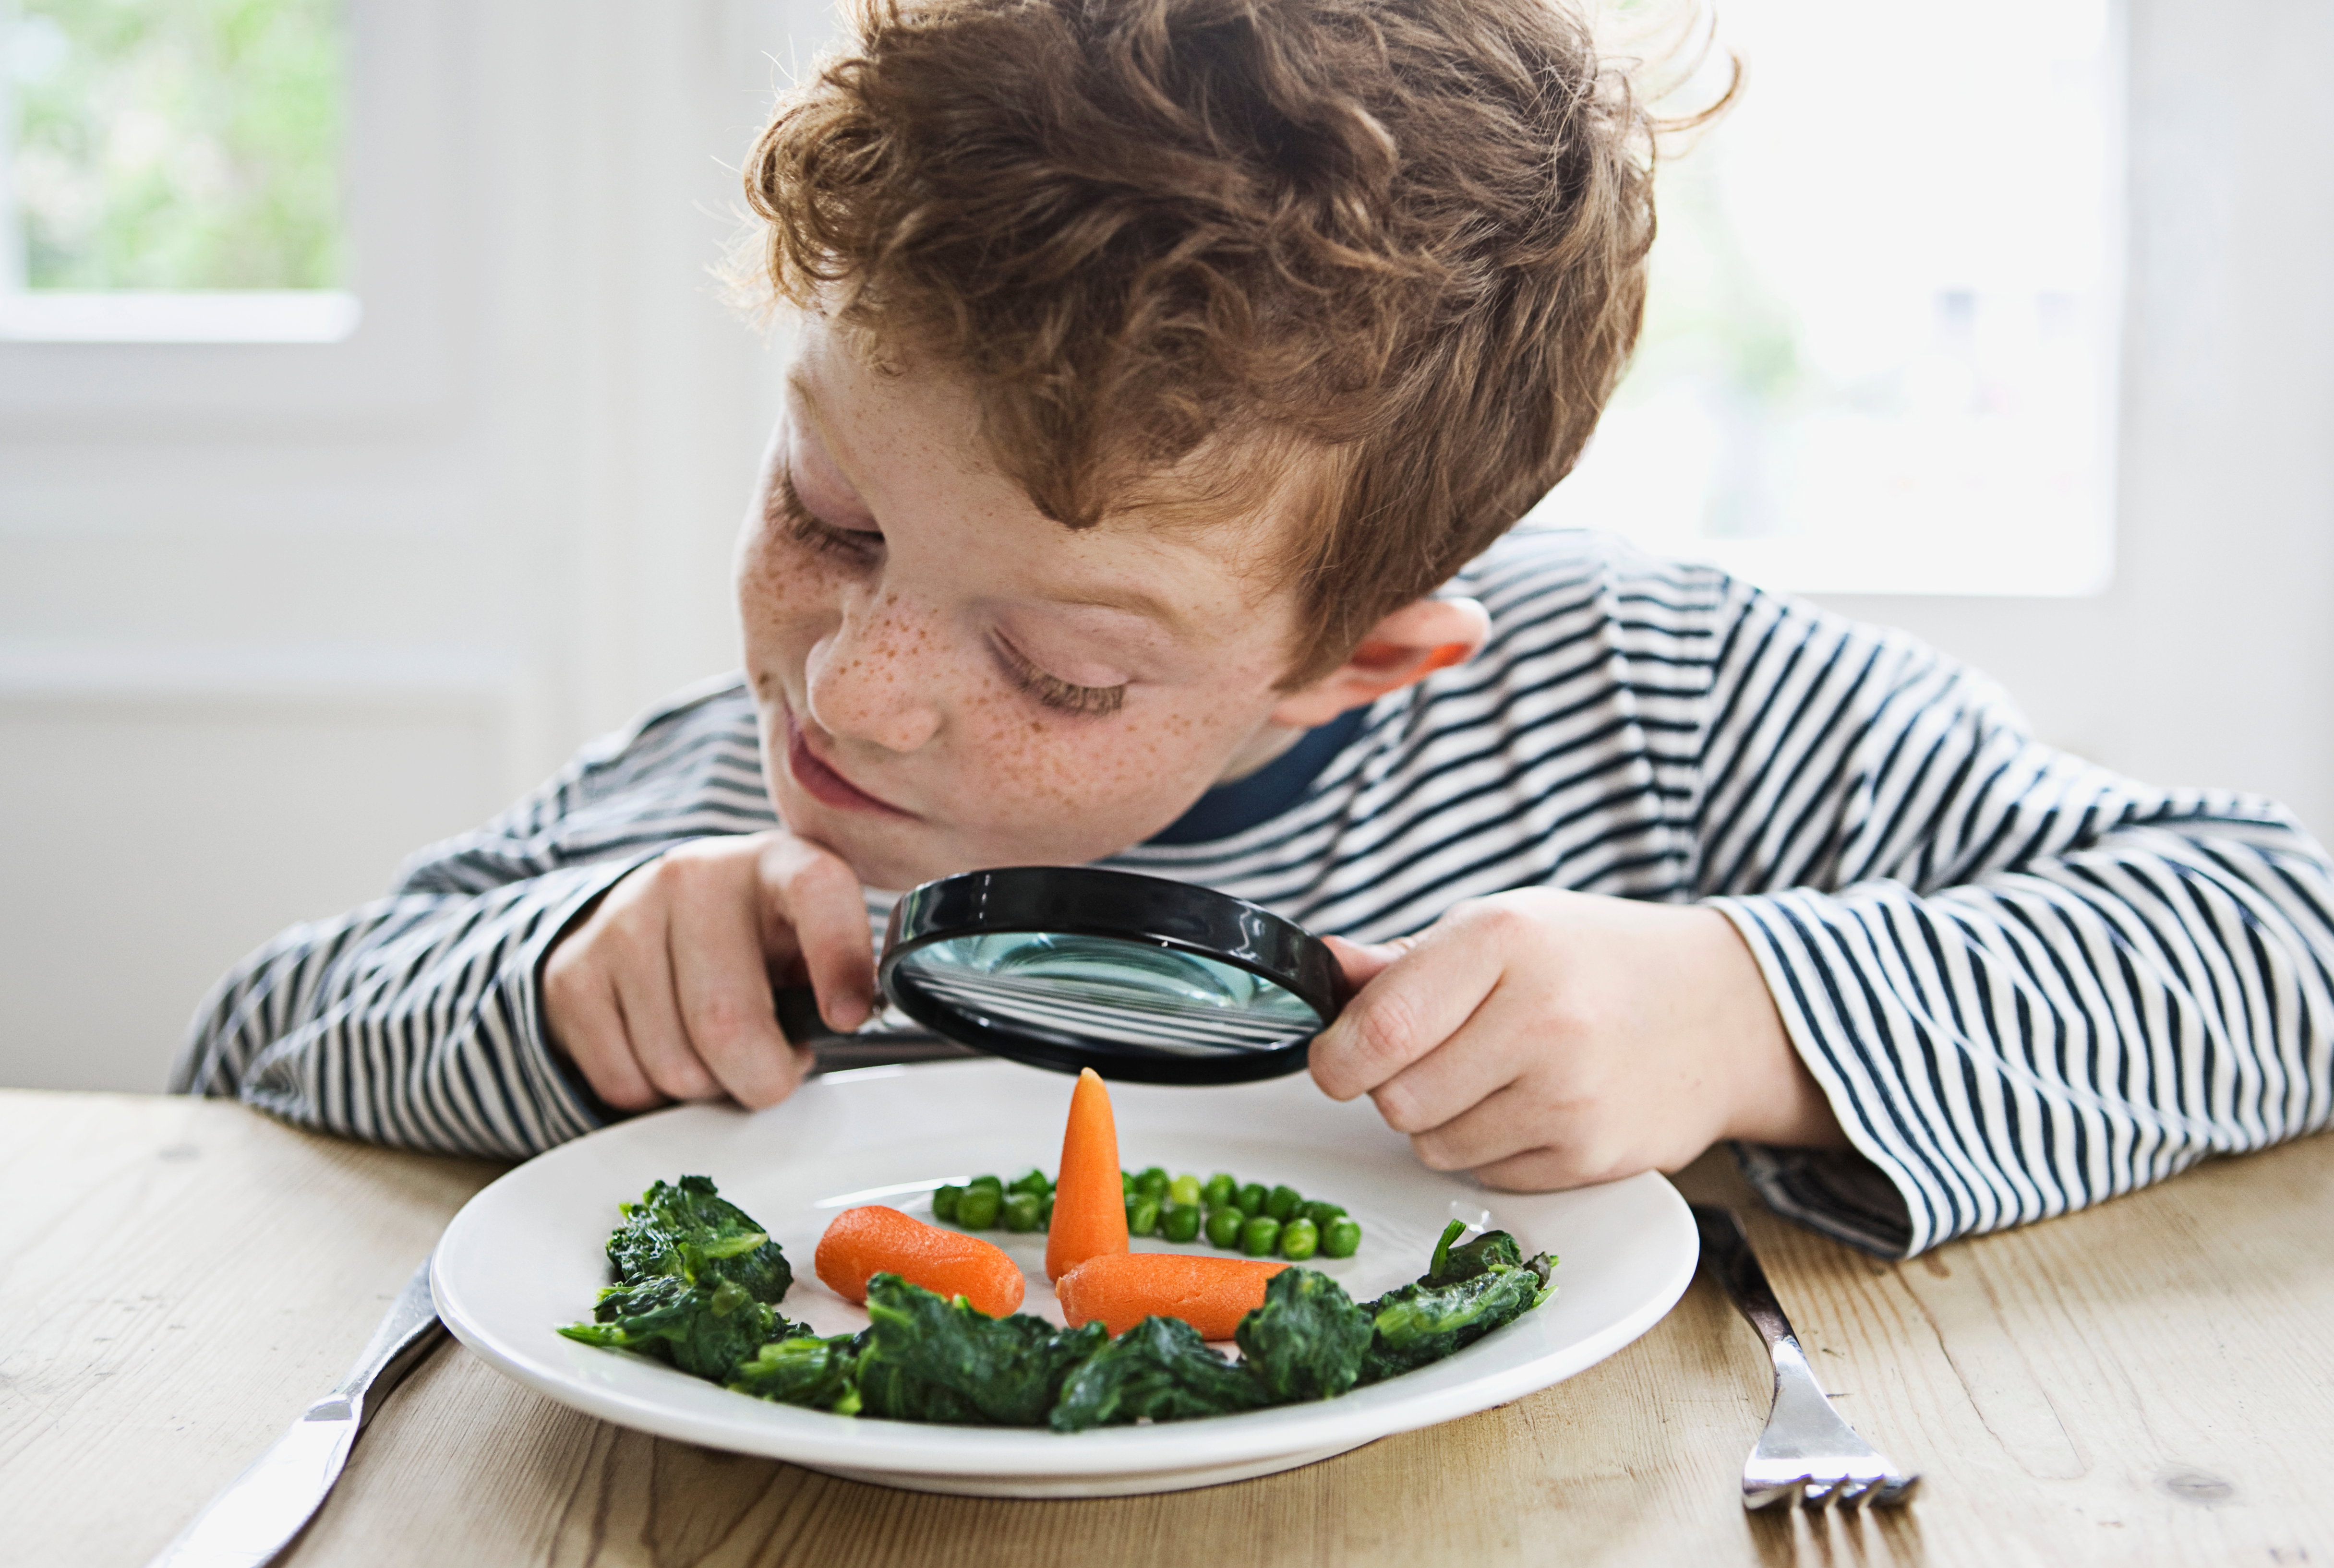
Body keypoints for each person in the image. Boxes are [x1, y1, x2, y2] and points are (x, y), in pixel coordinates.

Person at [174, 0, 2334, 1258]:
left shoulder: (1667, 717)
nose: (856, 687)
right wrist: (552, 994)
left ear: (1364, 656)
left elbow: (2284, 929)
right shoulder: (739, 812)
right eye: (824, 515)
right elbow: (247, 1054)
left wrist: (1748, 1016)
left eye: (1065, 669)